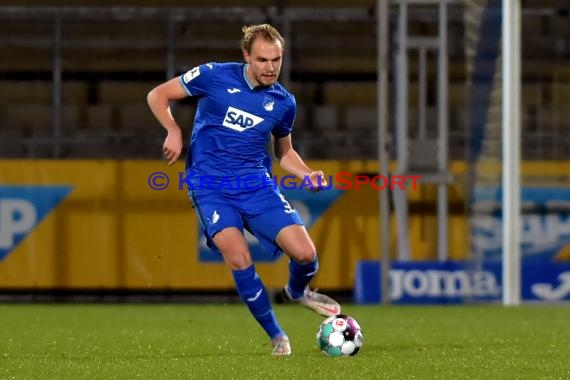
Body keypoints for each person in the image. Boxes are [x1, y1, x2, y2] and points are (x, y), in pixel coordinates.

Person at [147, 23, 340, 356]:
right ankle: (278, 336)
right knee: (238, 256)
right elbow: (158, 95)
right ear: (246, 56)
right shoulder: (213, 75)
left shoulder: (283, 102)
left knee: (306, 255)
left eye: (276, 60)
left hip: (255, 185)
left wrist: (306, 173)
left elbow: (284, 153)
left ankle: (297, 291)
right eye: (263, 60)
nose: (270, 67)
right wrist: (173, 130)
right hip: (210, 186)